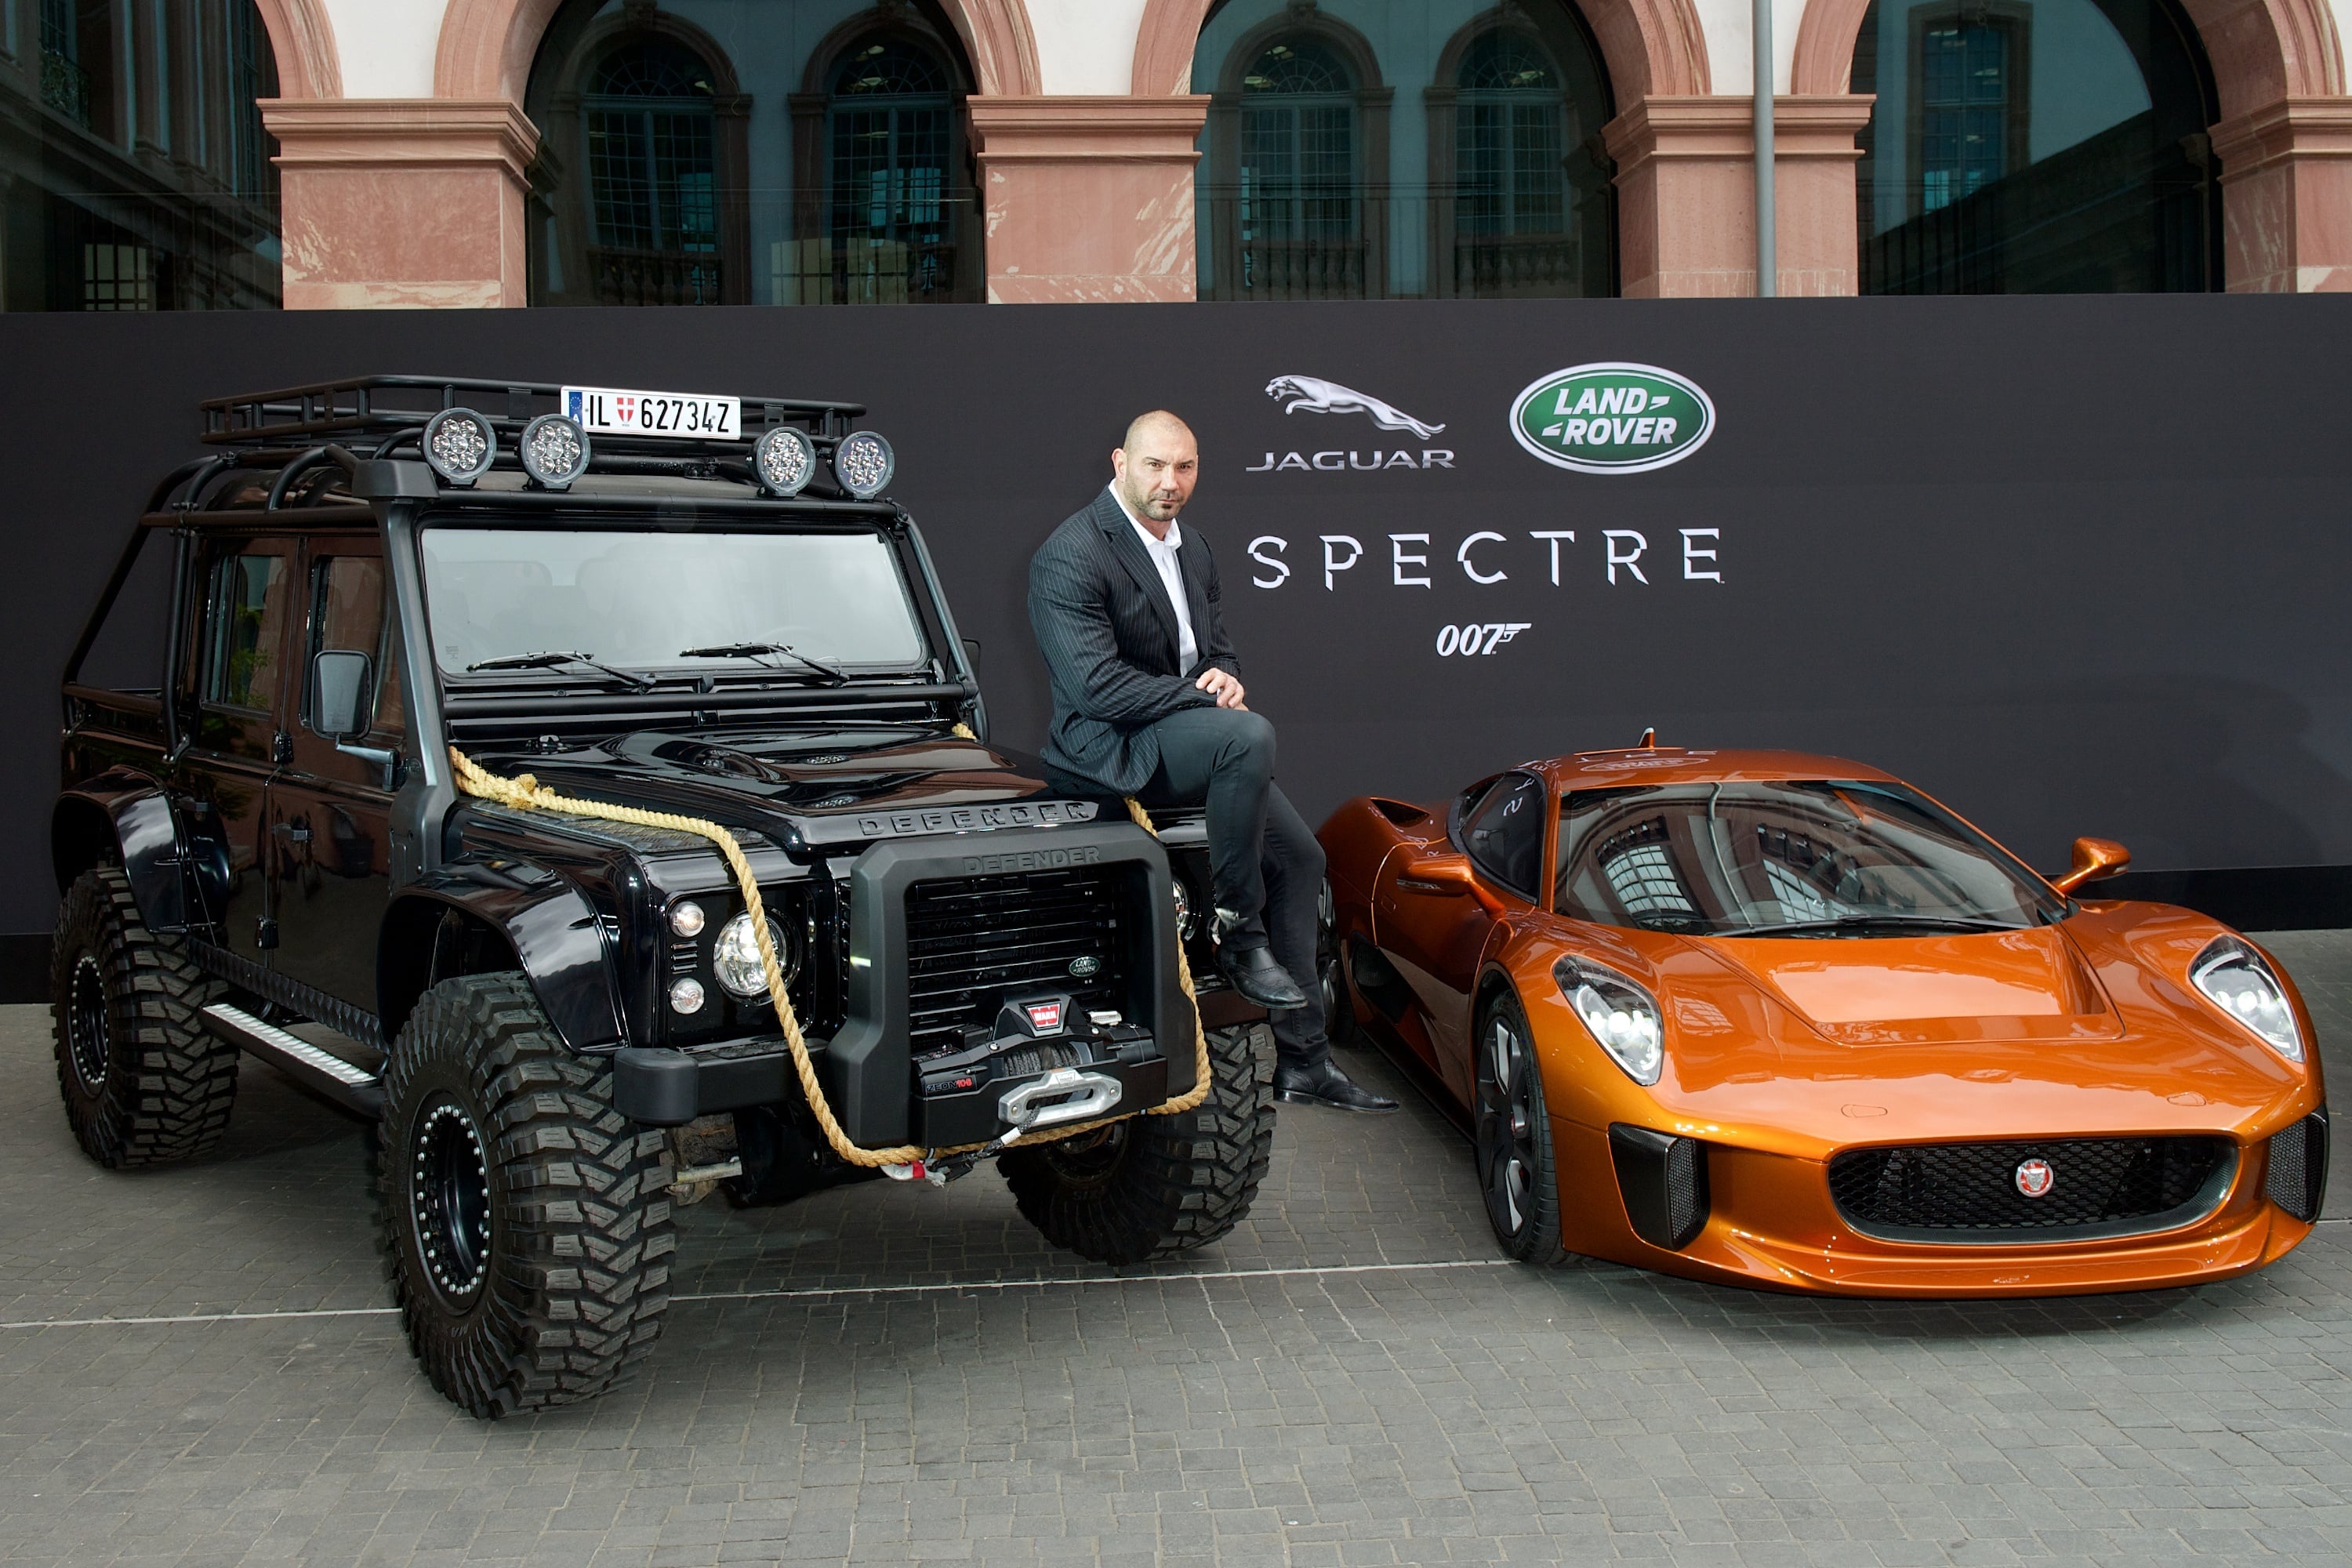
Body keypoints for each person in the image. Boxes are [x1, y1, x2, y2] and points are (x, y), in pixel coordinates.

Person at [1027, 411, 1396, 1113]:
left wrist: (1223, 676)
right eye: (1156, 466)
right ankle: (1237, 927)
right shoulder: (1071, 551)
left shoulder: (1193, 548)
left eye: (1186, 467)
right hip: (1114, 742)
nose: (1171, 483)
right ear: (1119, 463)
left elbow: (1214, 648)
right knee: (1247, 736)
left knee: (1303, 860)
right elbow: (1093, 687)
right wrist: (1202, 699)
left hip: (1186, 726)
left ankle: (1304, 1063)